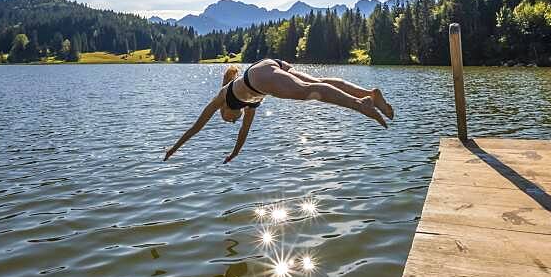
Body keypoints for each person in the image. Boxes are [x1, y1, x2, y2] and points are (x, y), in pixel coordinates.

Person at [164, 58, 394, 163]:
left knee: (308, 91)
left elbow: (197, 126)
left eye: (227, 119)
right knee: (319, 81)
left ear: (223, 110)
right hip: (267, 67)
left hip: (259, 77)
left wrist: (174, 148)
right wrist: (235, 153)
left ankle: (360, 104)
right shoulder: (248, 105)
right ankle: (370, 94)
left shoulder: (222, 97)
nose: (232, 121)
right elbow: (243, 133)